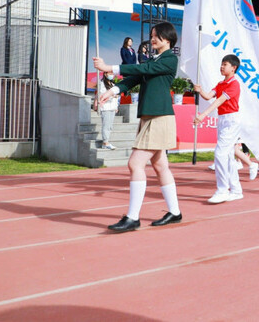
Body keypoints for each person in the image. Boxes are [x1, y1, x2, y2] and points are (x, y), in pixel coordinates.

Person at [94, 22, 181, 232]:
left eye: (157, 36)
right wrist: (112, 91)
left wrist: (110, 67)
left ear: (167, 39)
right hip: (150, 116)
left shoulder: (170, 59)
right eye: (152, 36)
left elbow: (144, 69)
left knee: (135, 163)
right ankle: (175, 212)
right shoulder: (155, 59)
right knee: (160, 166)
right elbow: (135, 77)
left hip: (159, 117)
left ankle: (133, 217)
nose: (153, 39)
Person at [193, 54, 245, 203]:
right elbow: (209, 96)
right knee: (228, 156)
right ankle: (236, 190)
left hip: (232, 120)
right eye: (222, 64)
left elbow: (220, 101)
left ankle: (223, 190)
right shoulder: (221, 83)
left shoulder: (234, 84)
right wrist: (200, 90)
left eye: (225, 64)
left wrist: (203, 115)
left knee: (220, 154)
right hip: (223, 119)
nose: (222, 66)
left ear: (233, 68)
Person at [97, 72, 119, 150]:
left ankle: (107, 141)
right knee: (106, 125)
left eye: (112, 73)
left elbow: (116, 96)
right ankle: (105, 142)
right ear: (105, 74)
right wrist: (112, 96)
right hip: (106, 107)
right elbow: (102, 95)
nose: (111, 75)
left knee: (110, 126)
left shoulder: (112, 84)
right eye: (110, 73)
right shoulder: (102, 83)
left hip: (112, 107)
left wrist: (116, 106)